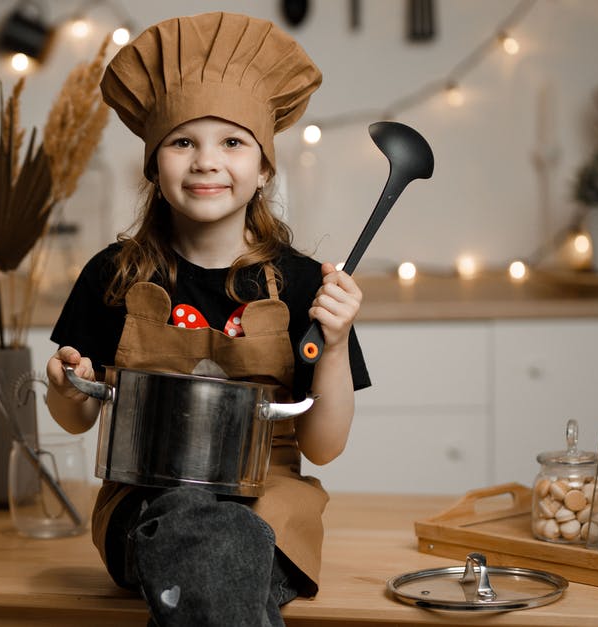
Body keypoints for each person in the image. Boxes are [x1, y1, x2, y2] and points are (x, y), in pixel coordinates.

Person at [44, 12, 372, 626]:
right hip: (146, 507)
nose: (205, 161)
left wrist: (334, 344)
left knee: (232, 536)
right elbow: (77, 413)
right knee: (204, 528)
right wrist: (65, 385)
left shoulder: (305, 284)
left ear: (264, 167)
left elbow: (323, 449)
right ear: (153, 164)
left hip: (271, 508)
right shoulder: (111, 275)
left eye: (232, 141)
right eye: (183, 141)